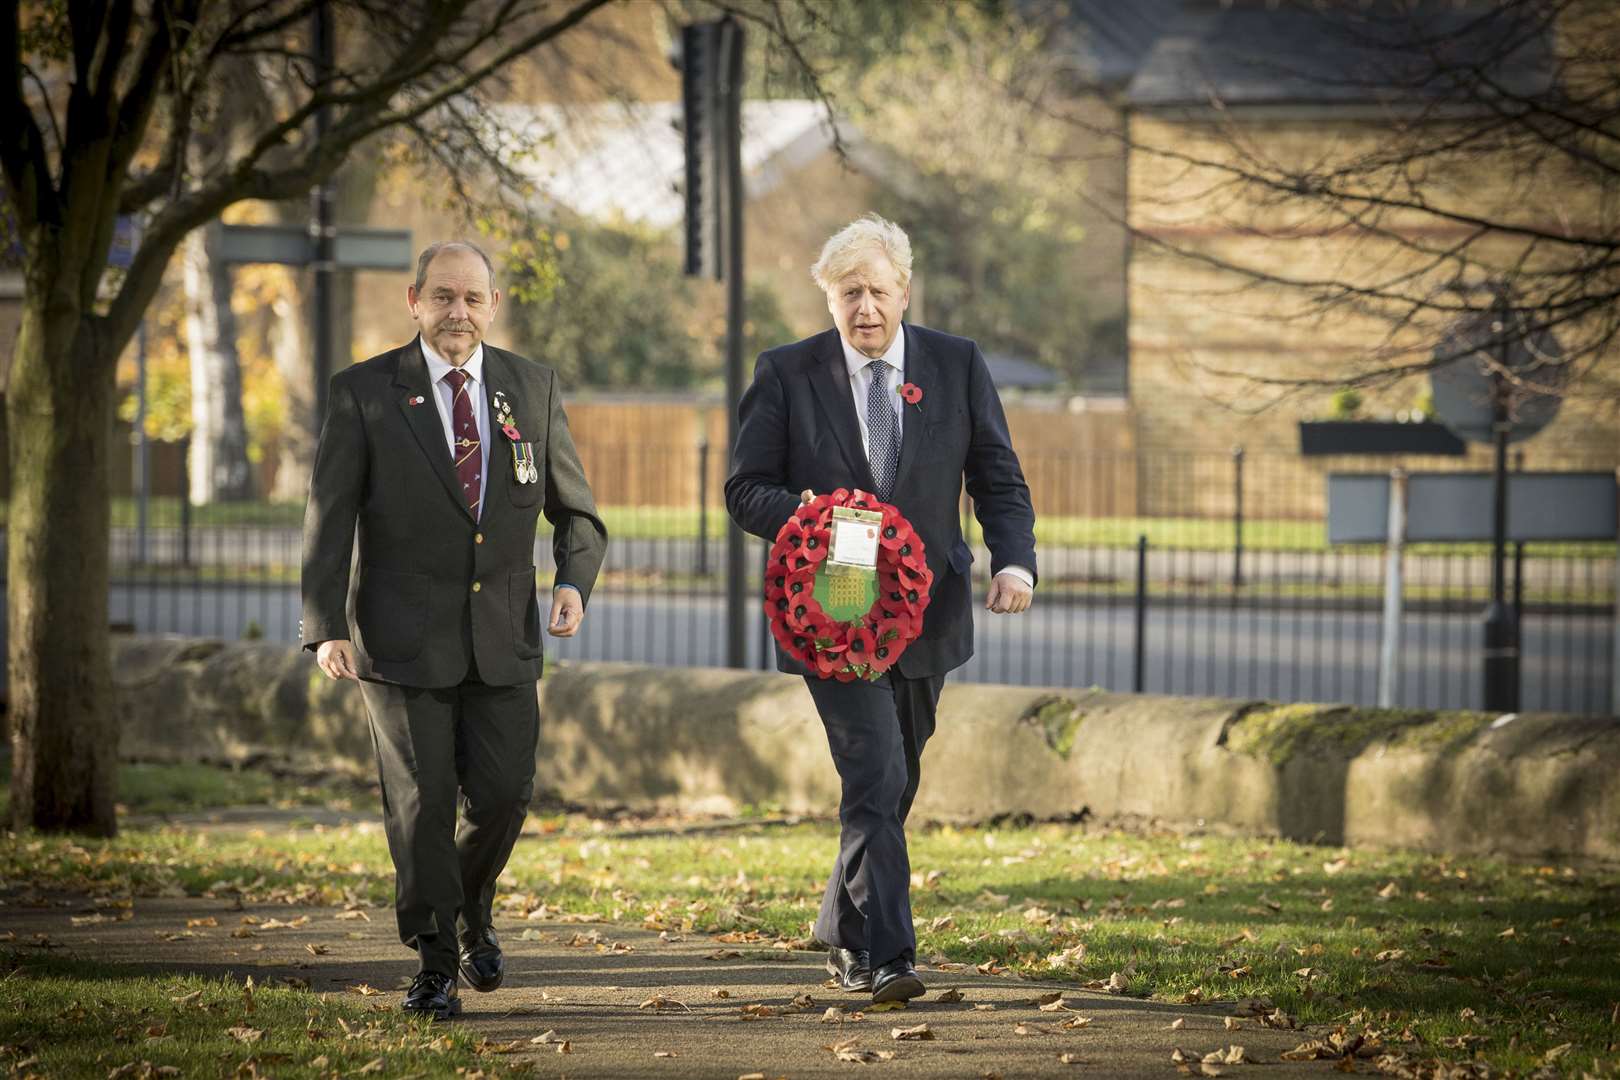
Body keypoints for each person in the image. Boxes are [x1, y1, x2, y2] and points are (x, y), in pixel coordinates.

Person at [725, 214, 1037, 1003]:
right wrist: (808, 515)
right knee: (875, 769)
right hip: (830, 614)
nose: (865, 306)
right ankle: (892, 956)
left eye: (878, 290)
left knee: (893, 786)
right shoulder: (788, 372)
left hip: (925, 613)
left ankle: (842, 928)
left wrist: (1016, 561)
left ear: (905, 291)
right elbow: (744, 488)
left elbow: (997, 475)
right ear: (829, 298)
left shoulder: (956, 364)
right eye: (848, 292)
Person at [300, 240, 607, 1019]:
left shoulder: (529, 387)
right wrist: (324, 624)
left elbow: (577, 510)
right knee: (423, 804)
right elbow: (328, 521)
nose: (458, 312)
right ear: (414, 301)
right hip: (399, 642)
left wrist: (573, 580)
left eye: (472, 298)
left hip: (504, 635)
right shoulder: (364, 392)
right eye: (443, 297)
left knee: (504, 796)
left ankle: (470, 906)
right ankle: (436, 962)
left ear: (492, 305)